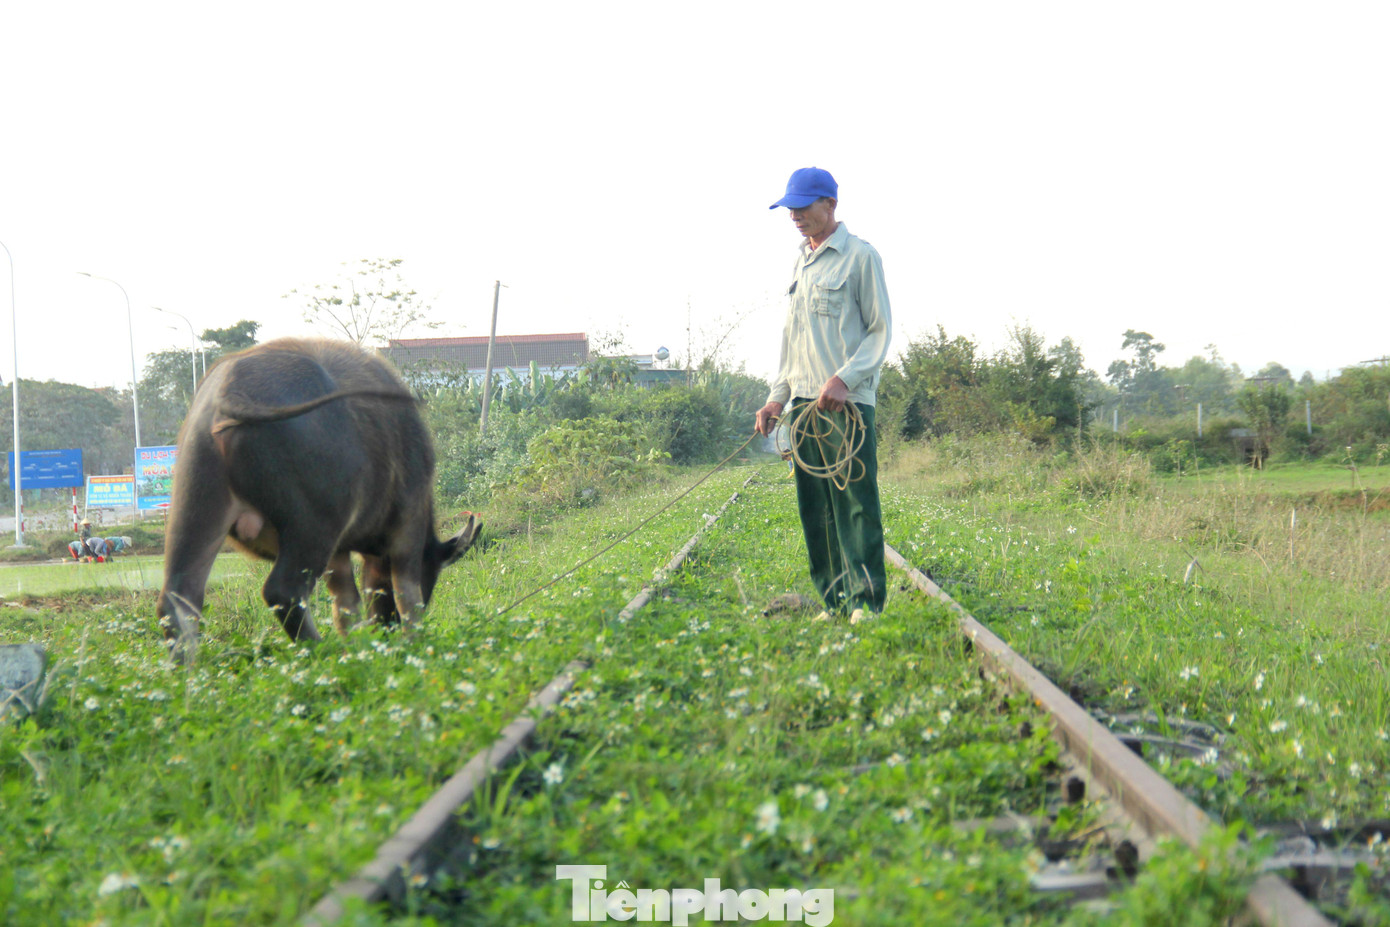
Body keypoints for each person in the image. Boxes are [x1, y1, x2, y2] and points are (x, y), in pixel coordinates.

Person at [755, 167, 892, 623]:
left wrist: (846, 379)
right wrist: (777, 397)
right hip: (802, 408)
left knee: (854, 502)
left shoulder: (859, 257)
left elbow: (879, 332)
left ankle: (865, 604)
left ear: (830, 205)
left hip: (846, 406)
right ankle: (834, 601)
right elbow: (792, 343)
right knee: (816, 508)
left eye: (803, 206)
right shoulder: (802, 262)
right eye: (790, 208)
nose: (794, 215)